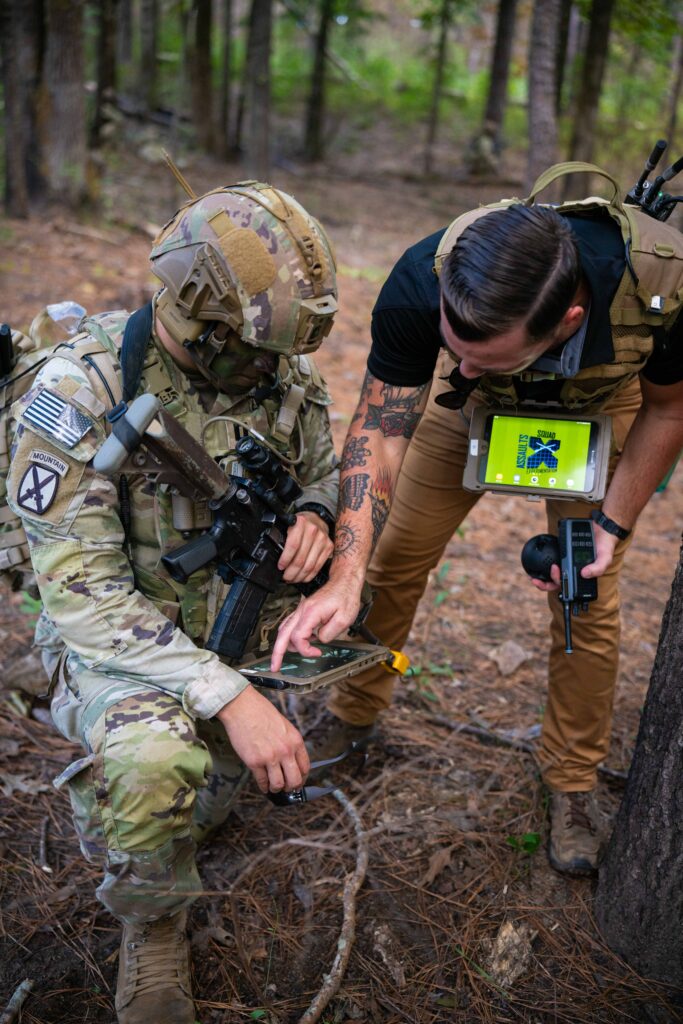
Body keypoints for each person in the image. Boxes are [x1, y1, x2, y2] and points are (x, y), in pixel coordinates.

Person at [272, 165, 683, 877]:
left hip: (596, 406)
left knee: (582, 591)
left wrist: (611, 529)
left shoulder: (658, 287)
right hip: (466, 408)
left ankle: (571, 781)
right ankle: (355, 713)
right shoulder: (422, 280)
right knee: (389, 556)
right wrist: (346, 569)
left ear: (565, 324)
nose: (454, 356)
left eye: (476, 349)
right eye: (451, 342)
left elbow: (669, 407)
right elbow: (379, 428)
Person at [7, 182, 340, 1024]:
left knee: (211, 796)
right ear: (195, 318)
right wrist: (230, 697)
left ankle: (173, 812)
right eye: (253, 351)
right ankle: (152, 929)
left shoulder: (280, 375)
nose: (275, 371)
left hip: (232, 623)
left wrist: (315, 511)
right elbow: (87, 604)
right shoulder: (78, 394)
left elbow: (325, 466)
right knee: (156, 767)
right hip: (117, 640)